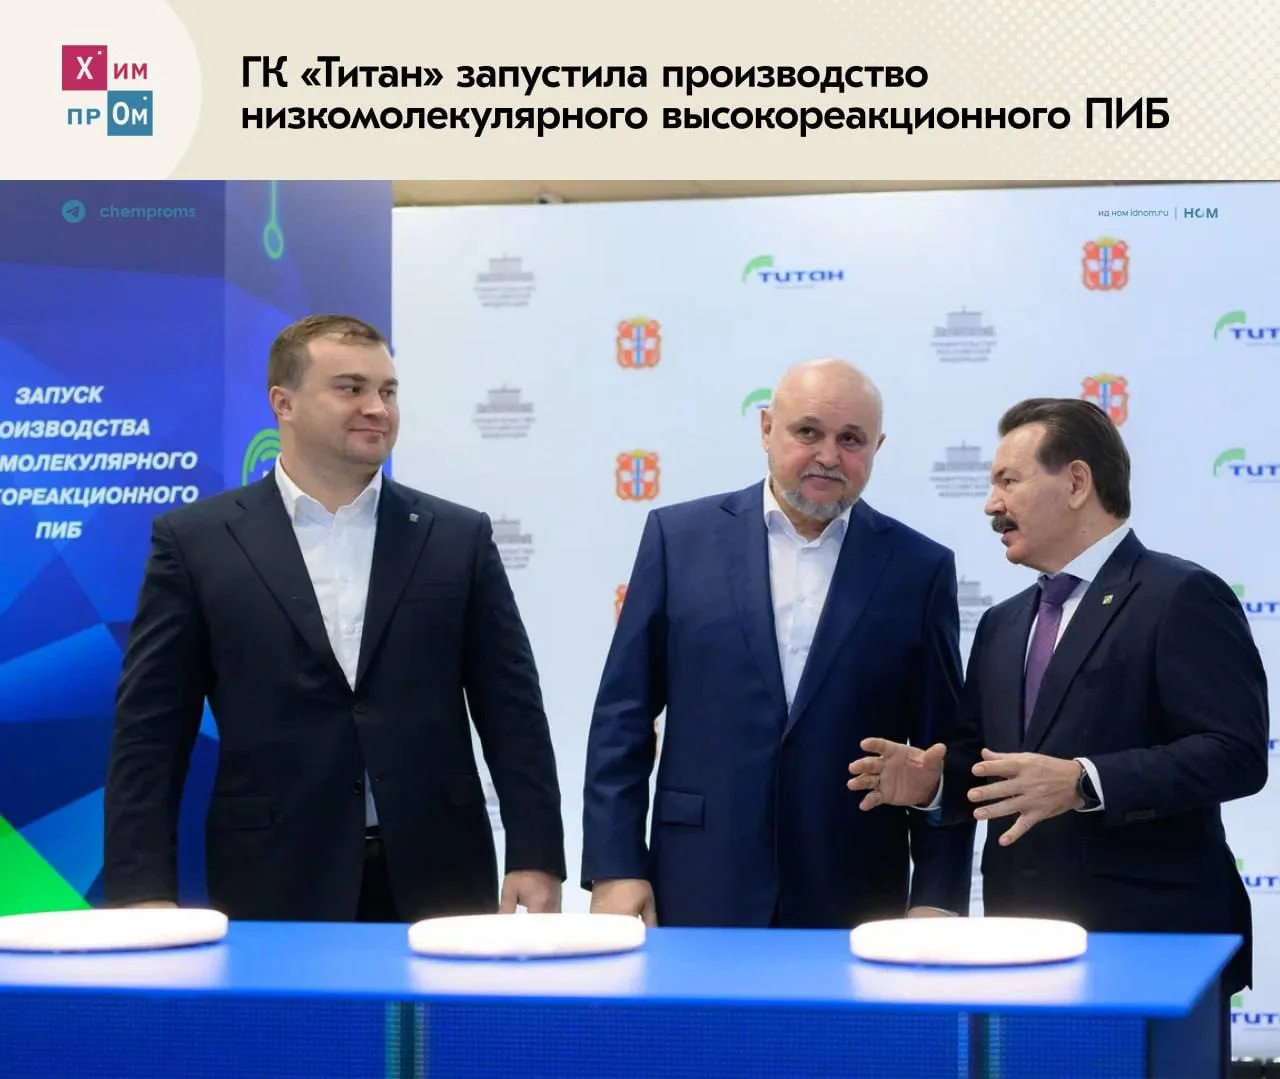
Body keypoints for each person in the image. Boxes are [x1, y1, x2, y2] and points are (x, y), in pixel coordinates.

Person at [848, 397, 1267, 1075]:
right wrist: (933, 782)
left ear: (1076, 482)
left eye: (1008, 481)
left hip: (1153, 954)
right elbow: (988, 763)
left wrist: (1084, 781)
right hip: (1026, 951)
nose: (991, 504)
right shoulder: (1003, 622)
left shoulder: (1181, 595)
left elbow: (1236, 753)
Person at [104, 314, 566, 922]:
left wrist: (536, 854)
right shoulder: (196, 542)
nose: (377, 408)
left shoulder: (457, 537)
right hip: (272, 879)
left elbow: (512, 712)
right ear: (284, 403)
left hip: (441, 878)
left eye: (388, 391)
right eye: (351, 388)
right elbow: (150, 733)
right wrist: (140, 889)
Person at [581, 358, 976, 928]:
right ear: (767, 428)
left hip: (855, 894)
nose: (828, 456)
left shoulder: (921, 568)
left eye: (851, 439)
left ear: (878, 447)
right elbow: (623, 715)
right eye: (808, 431)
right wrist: (616, 866)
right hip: (697, 881)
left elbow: (940, 753)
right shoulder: (678, 539)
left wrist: (937, 897)